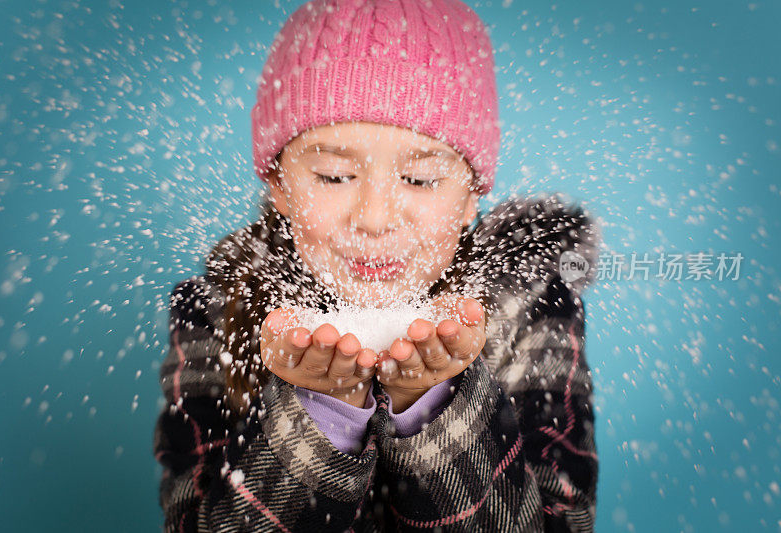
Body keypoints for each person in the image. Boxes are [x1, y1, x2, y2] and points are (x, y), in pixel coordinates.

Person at [152, 0, 600, 531]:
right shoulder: (220, 312)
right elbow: (198, 524)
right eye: (335, 177)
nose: (374, 218)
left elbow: (563, 522)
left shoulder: (527, 307)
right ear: (278, 186)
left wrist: (429, 404)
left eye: (421, 179)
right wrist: (325, 410)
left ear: (470, 199)